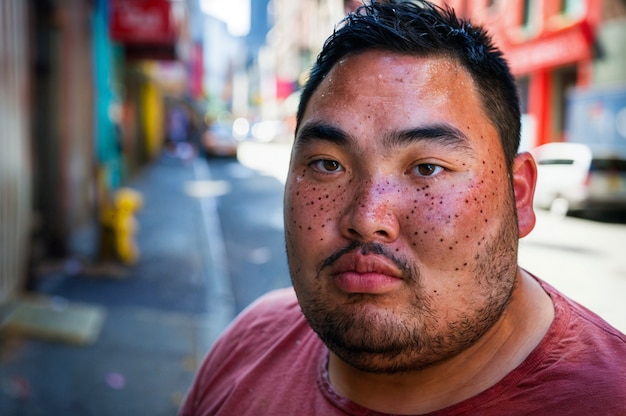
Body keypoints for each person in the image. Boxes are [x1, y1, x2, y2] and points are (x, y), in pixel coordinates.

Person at [179, 1, 626, 414]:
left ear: (519, 195)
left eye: (428, 168)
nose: (366, 218)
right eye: (328, 164)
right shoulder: (246, 347)